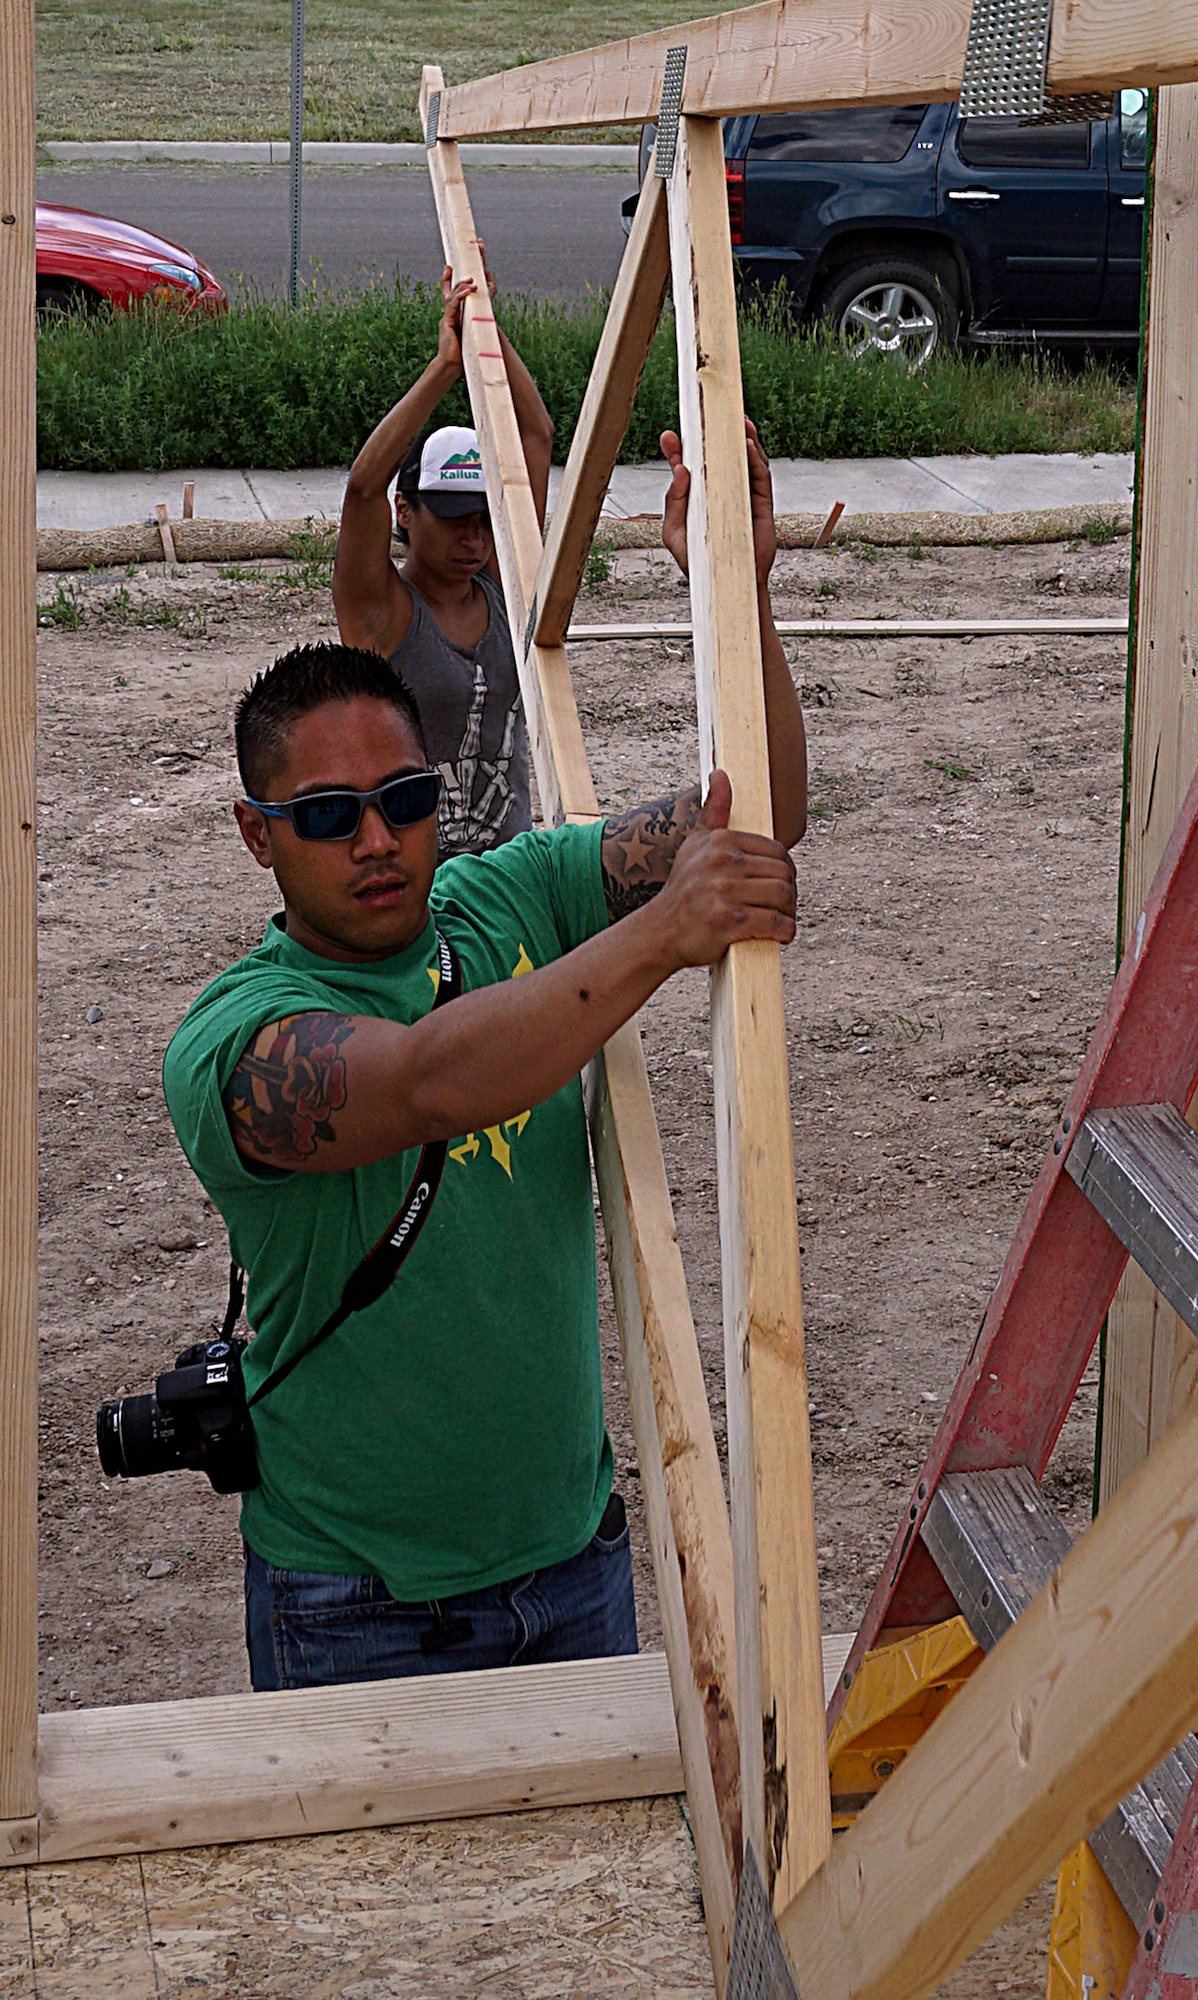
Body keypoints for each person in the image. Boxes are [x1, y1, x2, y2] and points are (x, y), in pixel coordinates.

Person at [164, 423, 806, 1692]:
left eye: (404, 801)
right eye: (327, 818)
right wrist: (663, 934)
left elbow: (758, 812)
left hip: (574, 1562)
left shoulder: (508, 898)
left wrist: (737, 588)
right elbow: (424, 1080)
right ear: (257, 835)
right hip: (357, 1600)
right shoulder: (234, 1041)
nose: (379, 841)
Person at [333, 248, 552, 858]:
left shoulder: (503, 587)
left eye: (485, 521)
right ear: (408, 513)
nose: (474, 540)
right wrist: (445, 368)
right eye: (455, 520)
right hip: (416, 882)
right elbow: (362, 487)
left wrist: (480, 325)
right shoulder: (382, 613)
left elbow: (535, 436)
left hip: (508, 872)